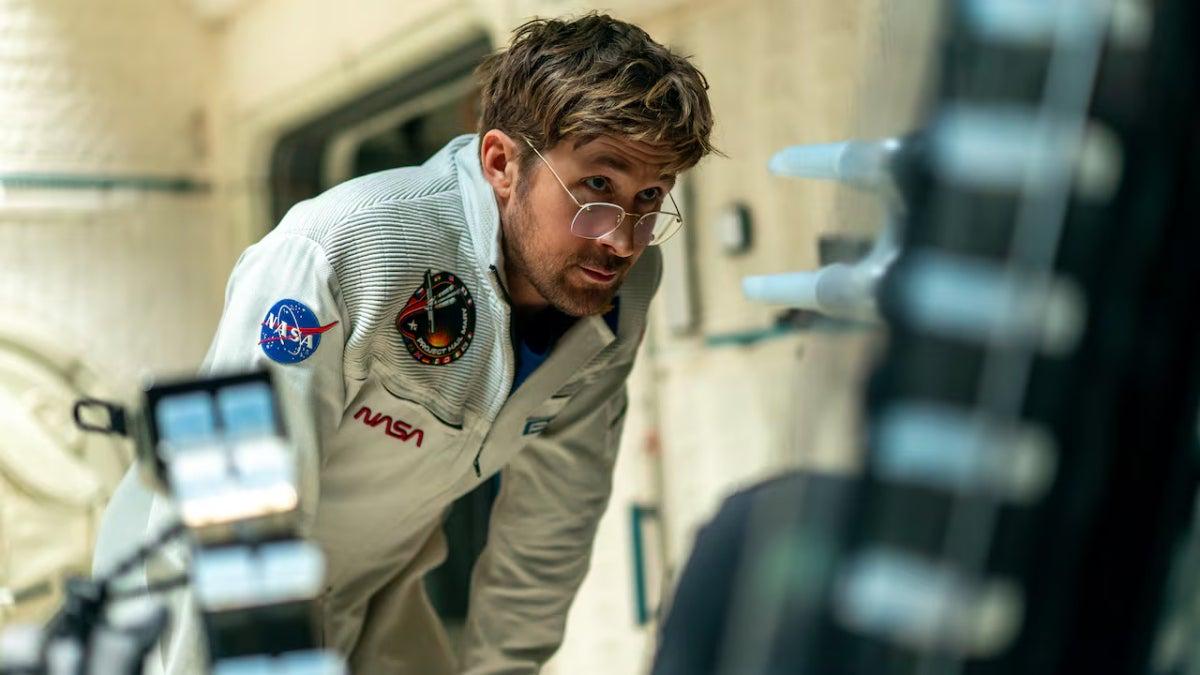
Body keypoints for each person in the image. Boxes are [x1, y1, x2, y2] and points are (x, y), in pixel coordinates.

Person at [94, 12, 715, 674]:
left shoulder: (619, 293)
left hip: (373, 594)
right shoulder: (342, 251)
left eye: (650, 197)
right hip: (183, 611)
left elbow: (554, 518)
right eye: (597, 187)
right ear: (502, 162)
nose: (621, 238)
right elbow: (231, 523)